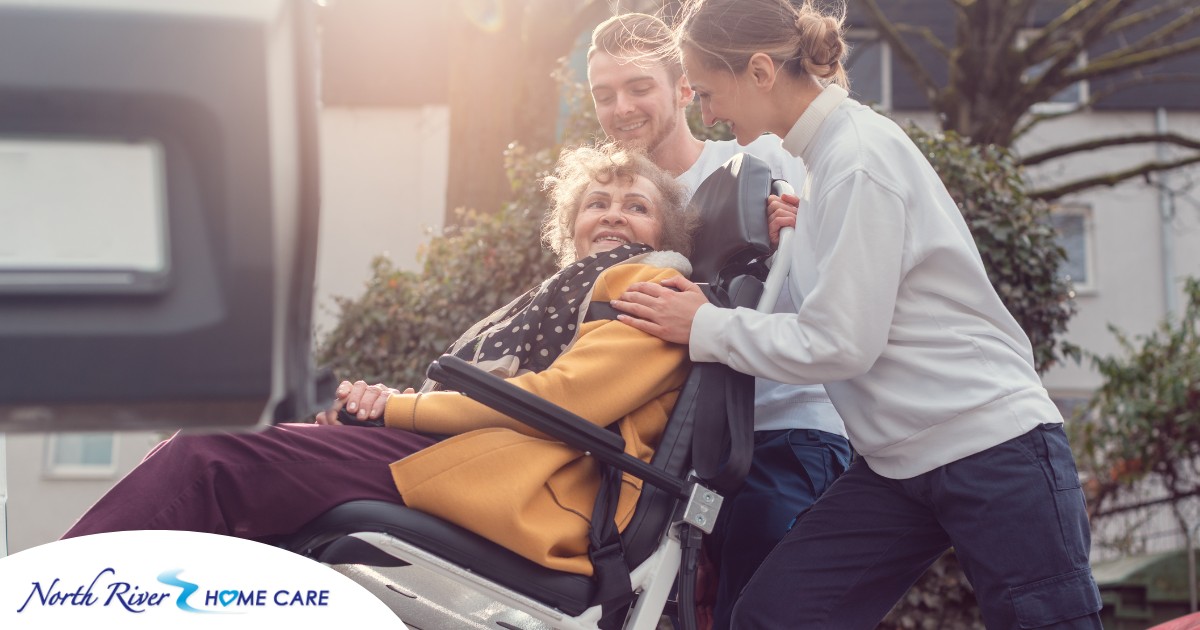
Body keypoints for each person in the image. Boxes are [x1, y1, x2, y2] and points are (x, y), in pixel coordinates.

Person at [610, 1, 1103, 628]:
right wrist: (804, 227)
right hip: (898, 465)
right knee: (774, 616)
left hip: (990, 445)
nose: (707, 115)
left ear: (760, 71)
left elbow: (842, 343)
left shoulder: (857, 158)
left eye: (708, 93)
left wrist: (703, 325)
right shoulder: (821, 168)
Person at [64, 143, 699, 577]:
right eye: (598, 203)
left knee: (215, 454)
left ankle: (46, 601)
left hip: (533, 486)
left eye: (636, 205)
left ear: (664, 233)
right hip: (478, 456)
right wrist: (383, 411)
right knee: (219, 460)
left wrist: (395, 409)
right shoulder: (556, 295)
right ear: (572, 227)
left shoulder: (653, 287)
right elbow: (484, 393)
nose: (614, 213)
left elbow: (560, 402)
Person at [587, 13, 850, 629]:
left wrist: (803, 230)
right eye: (604, 95)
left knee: (759, 611)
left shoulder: (755, 158)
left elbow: (830, 289)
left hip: (780, 434)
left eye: (638, 87)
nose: (620, 108)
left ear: (686, 89)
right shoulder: (614, 204)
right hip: (670, 457)